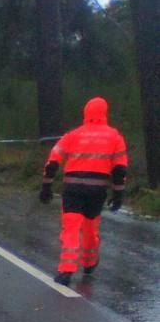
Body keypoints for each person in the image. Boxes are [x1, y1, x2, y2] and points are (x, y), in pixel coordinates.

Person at [39, 97, 127, 285]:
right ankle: (89, 263)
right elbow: (119, 170)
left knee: (71, 227)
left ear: (85, 113)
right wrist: (118, 193)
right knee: (90, 228)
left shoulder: (73, 135)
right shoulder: (114, 137)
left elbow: (53, 162)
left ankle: (66, 271)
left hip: (73, 188)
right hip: (97, 190)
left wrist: (46, 186)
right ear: (104, 113)